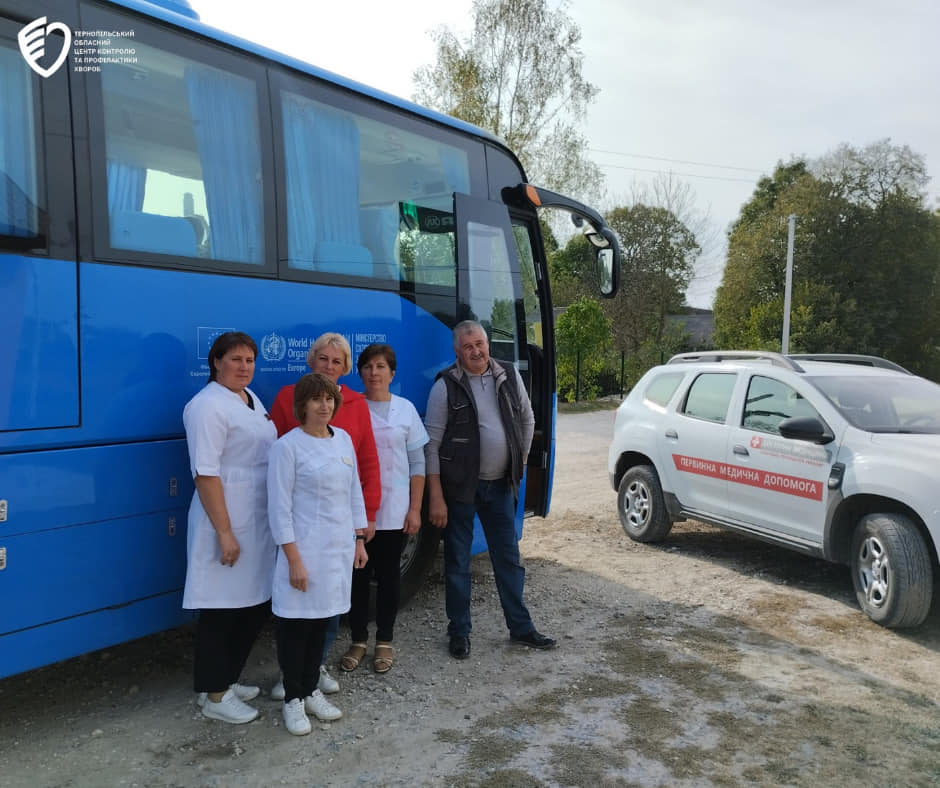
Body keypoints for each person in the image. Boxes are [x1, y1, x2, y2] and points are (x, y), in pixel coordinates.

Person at [425, 320, 556, 659]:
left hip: (501, 487)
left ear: (488, 344)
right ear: (457, 352)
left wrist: (520, 461)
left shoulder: (509, 376)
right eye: (468, 347)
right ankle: (459, 633)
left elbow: (527, 419)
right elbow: (432, 445)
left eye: (480, 344)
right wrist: (436, 495)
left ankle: (522, 628)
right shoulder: (446, 386)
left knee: (508, 560)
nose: (476, 351)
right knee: (458, 563)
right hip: (460, 489)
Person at [268, 332, 380, 697]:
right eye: (324, 359)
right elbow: (283, 478)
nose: (330, 367)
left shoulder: (354, 412)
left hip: (338, 537)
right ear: (311, 361)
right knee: (298, 612)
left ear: (345, 369)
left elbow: (363, 470)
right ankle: (294, 683)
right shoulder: (288, 403)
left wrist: (362, 530)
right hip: (301, 531)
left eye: (337, 362)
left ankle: (311, 675)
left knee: (329, 607)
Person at [182, 331, 276, 724]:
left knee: (251, 604)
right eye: (235, 359)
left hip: (255, 518)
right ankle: (215, 696)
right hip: (224, 517)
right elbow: (205, 474)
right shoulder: (206, 406)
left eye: (249, 360)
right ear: (216, 362)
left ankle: (226, 679)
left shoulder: (251, 399)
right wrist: (224, 531)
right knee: (221, 610)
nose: (244, 367)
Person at [343, 343, 429, 674]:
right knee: (357, 576)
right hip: (358, 507)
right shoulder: (350, 407)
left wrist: (415, 509)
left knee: (390, 577)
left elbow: (418, 462)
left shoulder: (405, 410)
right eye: (367, 366)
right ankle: (359, 639)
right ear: (359, 372)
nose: (374, 373)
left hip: (395, 509)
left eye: (381, 367)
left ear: (392, 373)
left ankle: (385, 641)